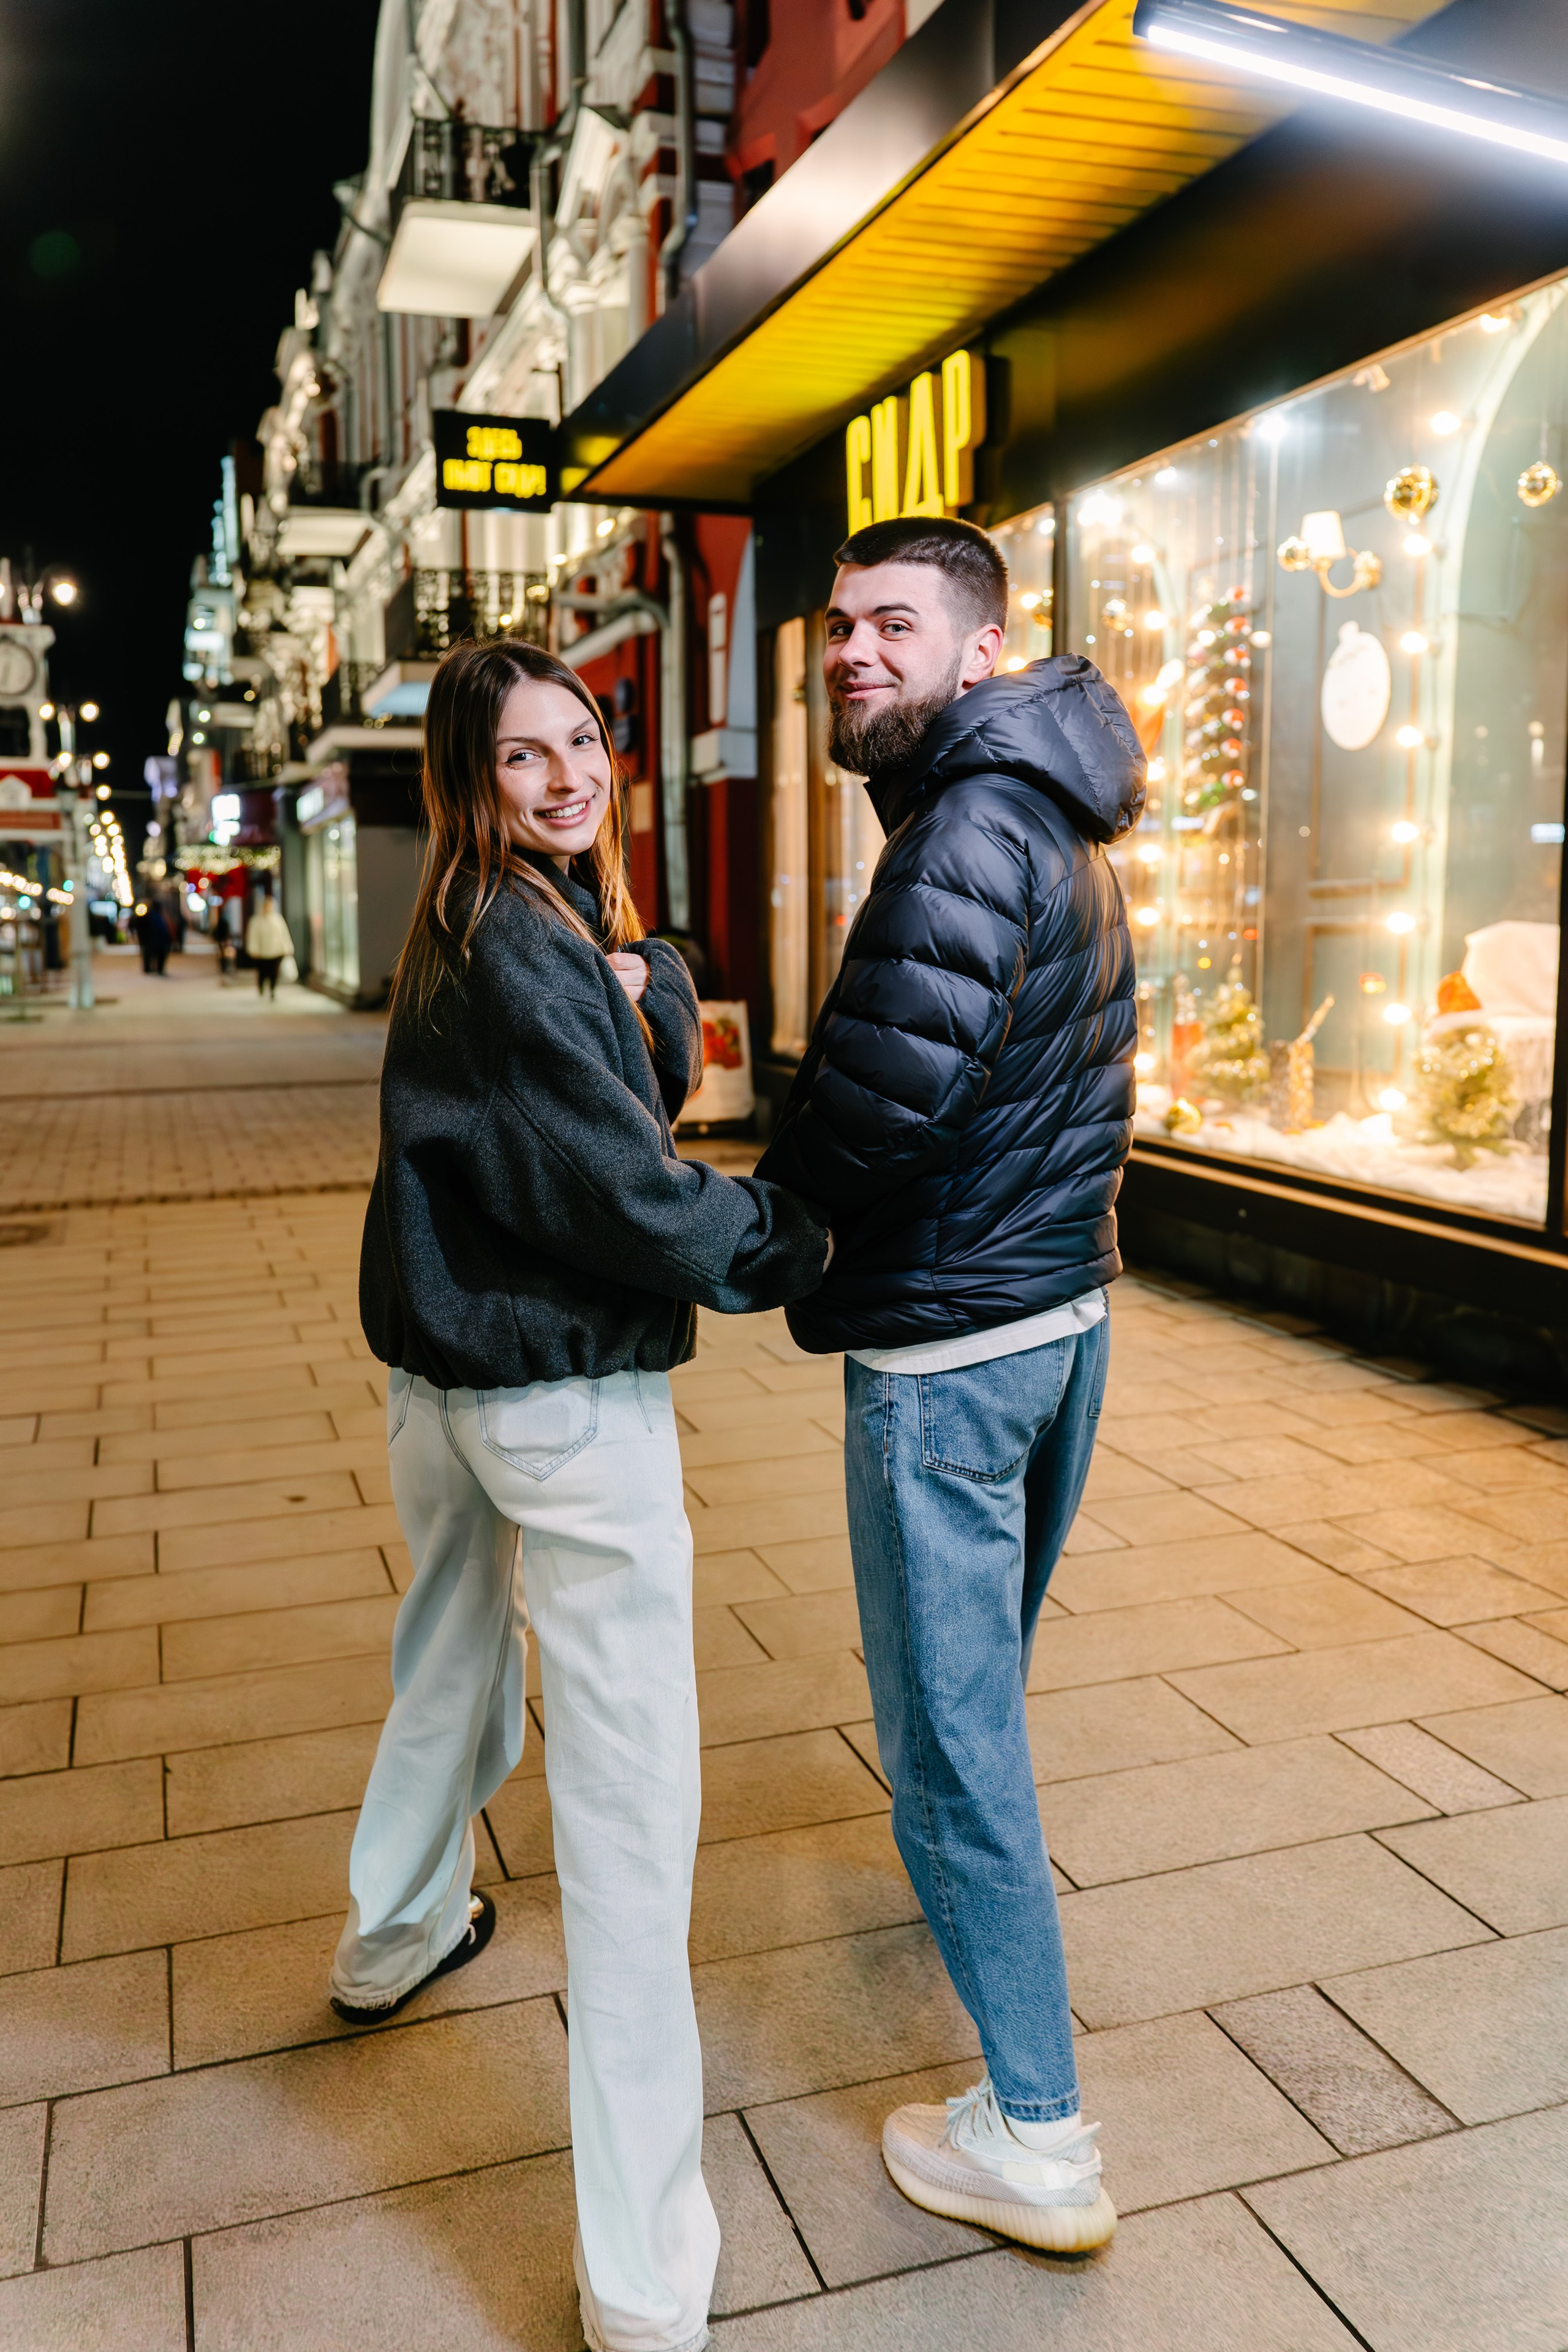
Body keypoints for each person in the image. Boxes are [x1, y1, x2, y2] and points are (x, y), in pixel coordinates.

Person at [336, 636, 830, 2352]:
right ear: (466, 782)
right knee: (630, 1809)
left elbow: (631, 1086)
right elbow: (631, 1183)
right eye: (520, 757)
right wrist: (799, 1244)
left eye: (581, 741)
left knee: (452, 1664)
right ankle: (639, 2272)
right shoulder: (521, 951)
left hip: (442, 1383)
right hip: (553, 1393)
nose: (562, 777)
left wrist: (651, 972)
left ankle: (392, 1929)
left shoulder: (496, 927)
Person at [756, 516, 1144, 2256]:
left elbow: (875, 1097)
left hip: (957, 1351)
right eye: (840, 627)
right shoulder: (1046, 805)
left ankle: (1038, 2138)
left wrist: (772, 1226)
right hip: (1058, 1319)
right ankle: (970, 1923)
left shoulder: (965, 827)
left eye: (892, 626)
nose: (853, 653)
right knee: (977, 1694)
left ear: (981, 648)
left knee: (950, 1747)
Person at [244, 883, 292, 997]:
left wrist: (287, 947)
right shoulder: (256, 921)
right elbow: (253, 936)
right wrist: (253, 949)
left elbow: (284, 934)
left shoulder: (278, 919)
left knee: (274, 972)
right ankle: (261, 986)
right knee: (263, 972)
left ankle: (273, 989)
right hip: (262, 952)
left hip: (276, 951)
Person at [132, 895, 171, 976]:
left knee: (148, 953)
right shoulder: (158, 916)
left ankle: (150, 968)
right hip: (156, 939)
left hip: (150, 939)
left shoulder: (149, 916)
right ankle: (157, 969)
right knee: (158, 954)